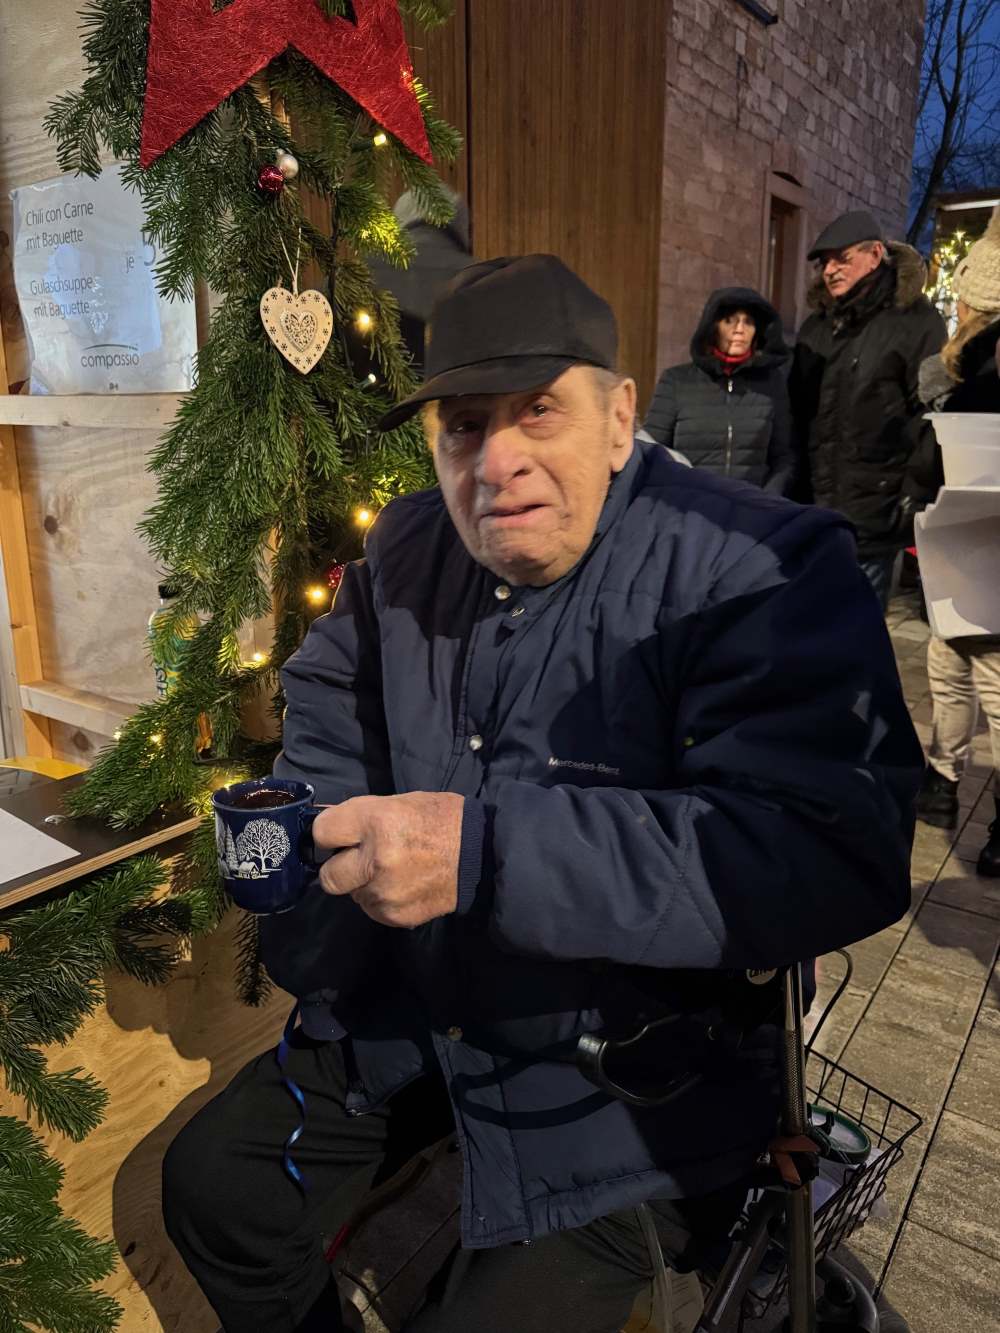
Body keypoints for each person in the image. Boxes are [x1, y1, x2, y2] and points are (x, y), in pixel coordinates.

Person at [162, 255, 923, 1333]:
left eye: (537, 412)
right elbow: (327, 699)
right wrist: (329, 861)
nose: (498, 462)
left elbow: (831, 845)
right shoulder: (409, 544)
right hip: (419, 1005)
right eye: (465, 425)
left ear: (618, 418)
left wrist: (485, 853)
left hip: (628, 1073)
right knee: (215, 1187)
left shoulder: (757, 564)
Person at [790, 210, 947, 610]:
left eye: (841, 258)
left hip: (875, 509)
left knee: (859, 628)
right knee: (812, 623)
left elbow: (930, 417)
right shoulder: (818, 325)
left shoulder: (916, 323)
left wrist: (914, 492)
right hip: (815, 507)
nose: (830, 270)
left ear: (875, 255)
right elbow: (797, 409)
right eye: (825, 262)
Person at [914, 206, 1000, 876]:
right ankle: (940, 781)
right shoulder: (961, 374)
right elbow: (928, 457)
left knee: (998, 691)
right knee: (948, 671)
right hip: (959, 549)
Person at [643, 287, 793, 493]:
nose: (739, 329)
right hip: (690, 509)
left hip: (749, 511)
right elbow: (651, 451)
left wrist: (767, 501)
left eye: (748, 322)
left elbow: (783, 457)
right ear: (713, 327)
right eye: (730, 320)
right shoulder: (676, 381)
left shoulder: (771, 383)